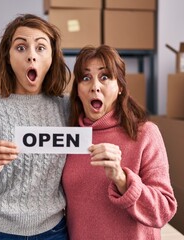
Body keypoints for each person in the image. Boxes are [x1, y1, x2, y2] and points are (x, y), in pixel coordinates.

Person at [0, 14, 71, 240]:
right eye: (21, 47)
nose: (31, 55)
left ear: (52, 57)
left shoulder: (67, 107)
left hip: (54, 231)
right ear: (7, 56)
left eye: (41, 47)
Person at [62, 45, 177, 240]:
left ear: (120, 87)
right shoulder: (69, 137)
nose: (95, 86)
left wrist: (122, 179)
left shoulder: (145, 134)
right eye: (86, 78)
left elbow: (164, 211)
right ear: (78, 91)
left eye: (105, 77)